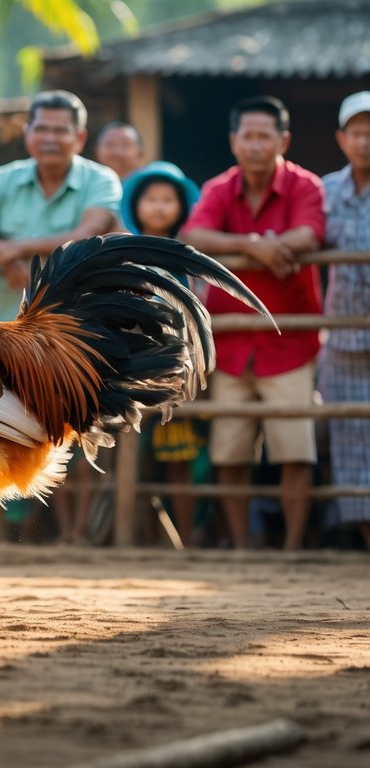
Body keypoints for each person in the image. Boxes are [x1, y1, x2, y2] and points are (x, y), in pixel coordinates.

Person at [0, 90, 121, 544]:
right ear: (27, 133)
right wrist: (15, 255)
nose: (50, 138)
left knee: (75, 427)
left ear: (80, 136)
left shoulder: (99, 180)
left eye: (60, 130)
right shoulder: (0, 179)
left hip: (66, 336)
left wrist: (16, 250)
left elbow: (86, 235)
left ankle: (74, 533)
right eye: (42, 128)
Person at [179, 96, 325, 551]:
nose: (256, 145)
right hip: (232, 342)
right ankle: (243, 547)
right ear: (233, 141)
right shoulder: (221, 188)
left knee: (295, 451)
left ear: (282, 140)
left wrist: (246, 247)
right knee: (230, 450)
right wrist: (257, 246)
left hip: (290, 343)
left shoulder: (305, 185)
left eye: (265, 136)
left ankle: (292, 549)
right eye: (248, 136)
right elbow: (192, 235)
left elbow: (310, 234)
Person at [121, 161, 204, 546]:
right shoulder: (123, 252)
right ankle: (140, 537)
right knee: (131, 458)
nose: (157, 206)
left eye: (167, 199)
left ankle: (184, 537)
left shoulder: (189, 255)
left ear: (181, 206)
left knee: (178, 456)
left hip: (178, 364)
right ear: (136, 205)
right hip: (132, 362)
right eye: (150, 199)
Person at [319, 91, 370, 548]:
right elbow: (306, 236)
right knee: (350, 436)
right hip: (343, 333)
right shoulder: (325, 190)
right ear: (342, 138)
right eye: (358, 132)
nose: (366, 140)